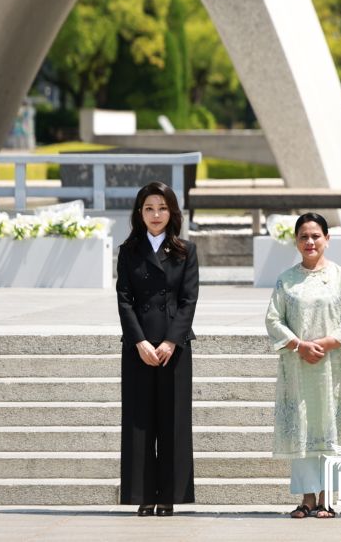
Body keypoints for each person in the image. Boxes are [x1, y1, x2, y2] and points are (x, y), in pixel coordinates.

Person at [264, 212, 341, 519]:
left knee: (328, 427)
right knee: (304, 428)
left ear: (327, 239)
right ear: (296, 241)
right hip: (297, 368)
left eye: (315, 236)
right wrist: (299, 345)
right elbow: (273, 320)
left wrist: (327, 342)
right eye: (303, 237)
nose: (310, 242)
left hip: (331, 368)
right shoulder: (287, 280)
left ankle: (327, 497)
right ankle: (307, 497)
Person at [115, 181, 199, 517]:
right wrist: (139, 342)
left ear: (172, 212)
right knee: (139, 421)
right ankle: (142, 494)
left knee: (173, 422)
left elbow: (188, 299)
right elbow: (124, 300)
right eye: (149, 208)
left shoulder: (185, 250)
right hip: (138, 347)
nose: (155, 214)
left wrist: (168, 341)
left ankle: (169, 496)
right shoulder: (128, 250)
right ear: (139, 213)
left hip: (174, 347)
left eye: (162, 208)